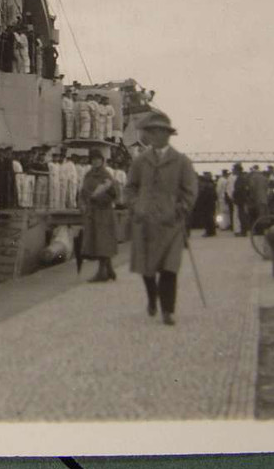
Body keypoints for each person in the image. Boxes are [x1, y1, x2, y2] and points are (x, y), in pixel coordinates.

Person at [126, 111, 198, 326]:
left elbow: (190, 191)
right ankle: (152, 297)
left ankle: (168, 310)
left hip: (170, 223)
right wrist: (135, 206)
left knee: (169, 268)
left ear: (167, 134)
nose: (154, 136)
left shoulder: (182, 162)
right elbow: (130, 188)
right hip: (145, 222)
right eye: (151, 132)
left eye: (158, 132)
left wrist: (181, 209)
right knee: (147, 268)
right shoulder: (140, 161)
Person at [81, 149, 120, 282]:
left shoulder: (106, 175)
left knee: (102, 241)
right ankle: (109, 270)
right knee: (97, 241)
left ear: (102, 161)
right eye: (93, 159)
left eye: (98, 159)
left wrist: (98, 197)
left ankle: (102, 273)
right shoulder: (88, 175)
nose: (95, 161)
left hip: (104, 212)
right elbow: (83, 191)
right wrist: (83, 202)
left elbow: (114, 194)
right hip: (92, 212)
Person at [194, 171, 218, 236]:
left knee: (207, 218)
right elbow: (215, 195)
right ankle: (212, 231)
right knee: (210, 217)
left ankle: (209, 231)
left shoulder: (206, 185)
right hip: (210, 203)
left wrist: (200, 202)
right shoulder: (212, 184)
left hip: (206, 204)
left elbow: (203, 195)